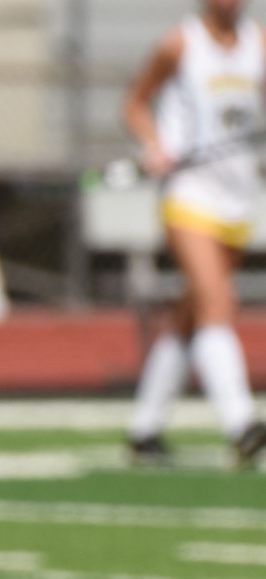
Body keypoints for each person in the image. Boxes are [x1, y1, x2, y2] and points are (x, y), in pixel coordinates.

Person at [121, 0, 266, 467]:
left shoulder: (258, 44)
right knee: (217, 303)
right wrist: (154, 144)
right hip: (190, 194)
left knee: (192, 312)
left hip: (238, 196)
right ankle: (241, 423)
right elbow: (135, 103)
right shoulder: (180, 44)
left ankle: (144, 427)